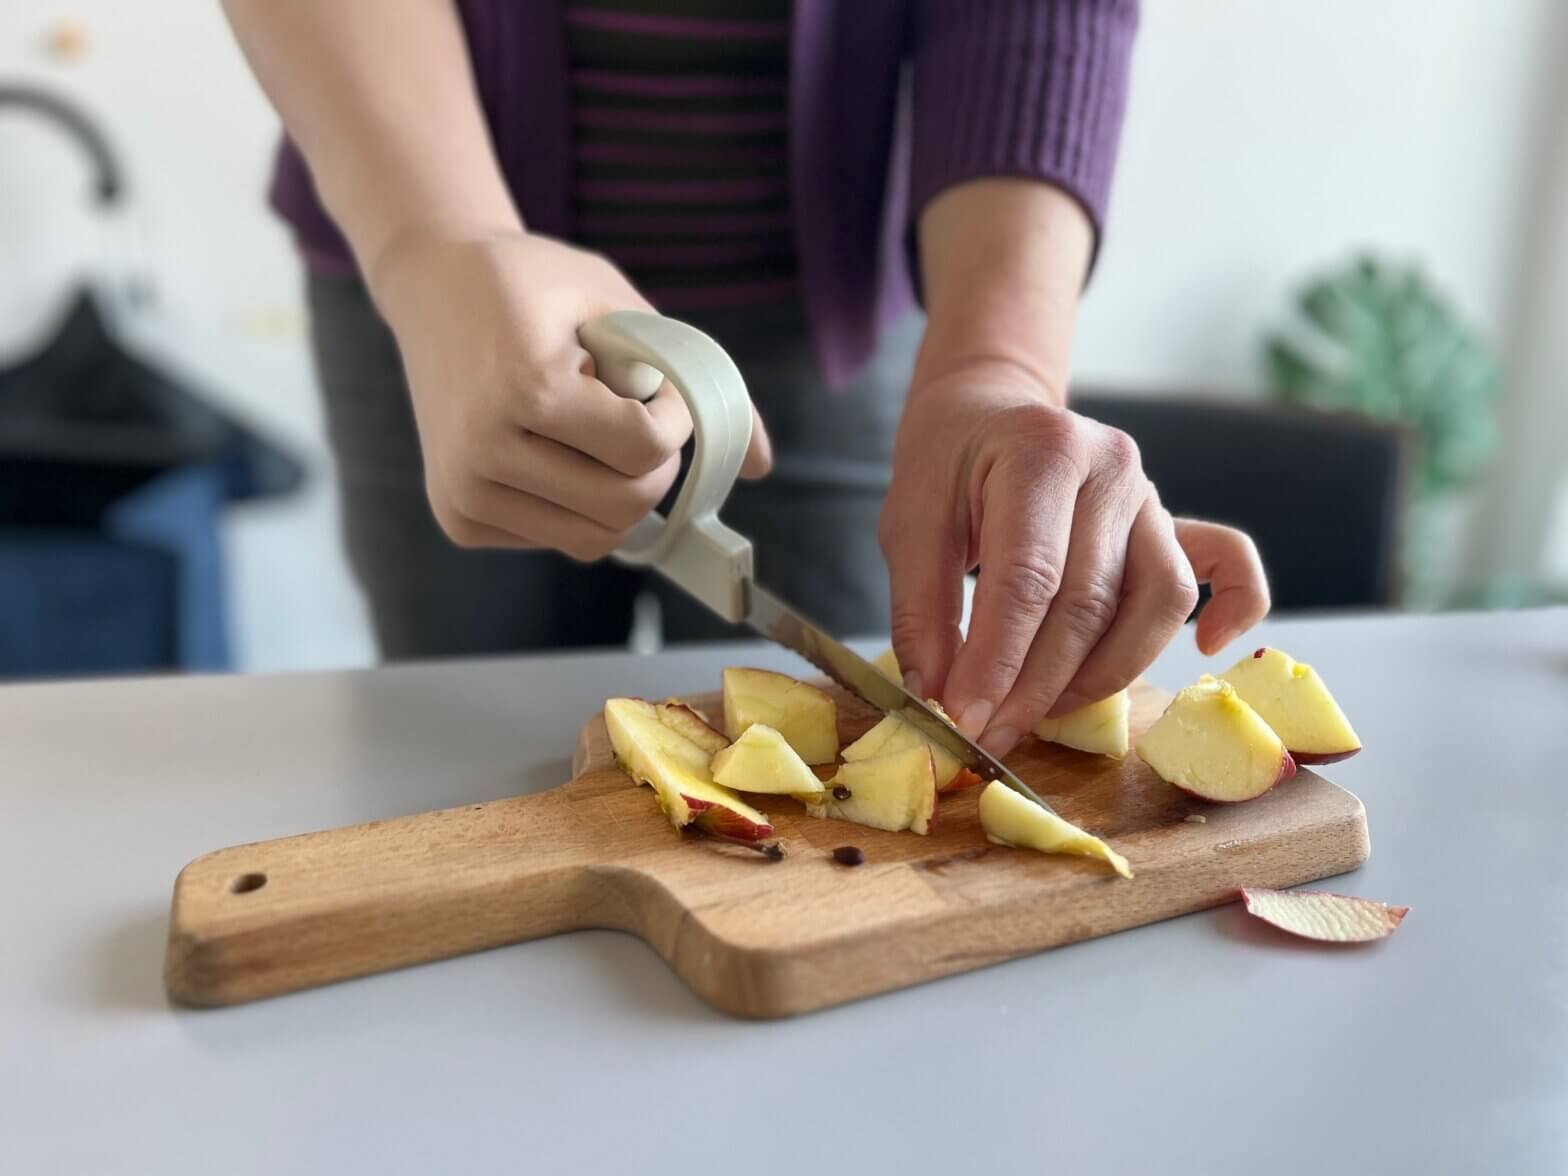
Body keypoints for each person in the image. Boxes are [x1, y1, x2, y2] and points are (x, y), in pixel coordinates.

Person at [223, 0, 1269, 760]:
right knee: (453, 757)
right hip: (426, 289)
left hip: (830, 333)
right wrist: (434, 243)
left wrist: (997, 367)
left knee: (869, 755)